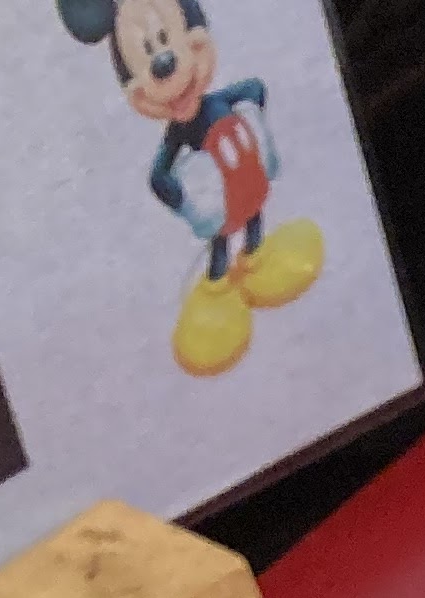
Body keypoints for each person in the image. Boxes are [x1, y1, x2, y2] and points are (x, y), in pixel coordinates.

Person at [57, 0, 325, 378]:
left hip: (249, 180)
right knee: (222, 241)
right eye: (149, 53)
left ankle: (256, 257)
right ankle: (218, 287)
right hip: (222, 200)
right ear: (138, 92)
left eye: (167, 40)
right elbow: (159, 174)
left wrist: (255, 123)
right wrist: (181, 196)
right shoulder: (180, 132)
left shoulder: (218, 102)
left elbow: (253, 88)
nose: (165, 63)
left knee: (254, 218)